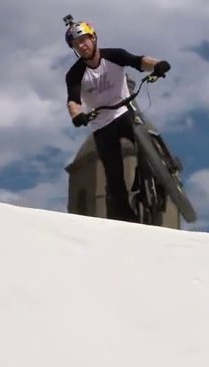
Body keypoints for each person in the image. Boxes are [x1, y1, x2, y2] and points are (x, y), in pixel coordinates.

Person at [63, 17, 171, 222]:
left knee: (147, 143)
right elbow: (73, 100)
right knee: (114, 175)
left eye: (84, 40)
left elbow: (139, 61)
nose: (82, 45)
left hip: (123, 112)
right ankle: (124, 216)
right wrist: (77, 115)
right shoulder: (75, 74)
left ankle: (155, 177)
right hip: (101, 124)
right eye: (77, 44)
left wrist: (158, 65)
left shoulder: (114, 55)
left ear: (94, 38)